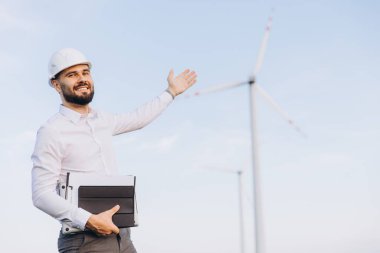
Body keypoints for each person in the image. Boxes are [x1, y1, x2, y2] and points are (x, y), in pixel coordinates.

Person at [31, 48, 197, 253]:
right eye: (72, 75)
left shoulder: (102, 120)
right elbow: (41, 194)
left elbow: (138, 118)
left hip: (122, 236)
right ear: (57, 85)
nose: (82, 79)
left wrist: (169, 93)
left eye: (85, 72)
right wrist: (89, 220)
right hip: (85, 240)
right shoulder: (52, 131)